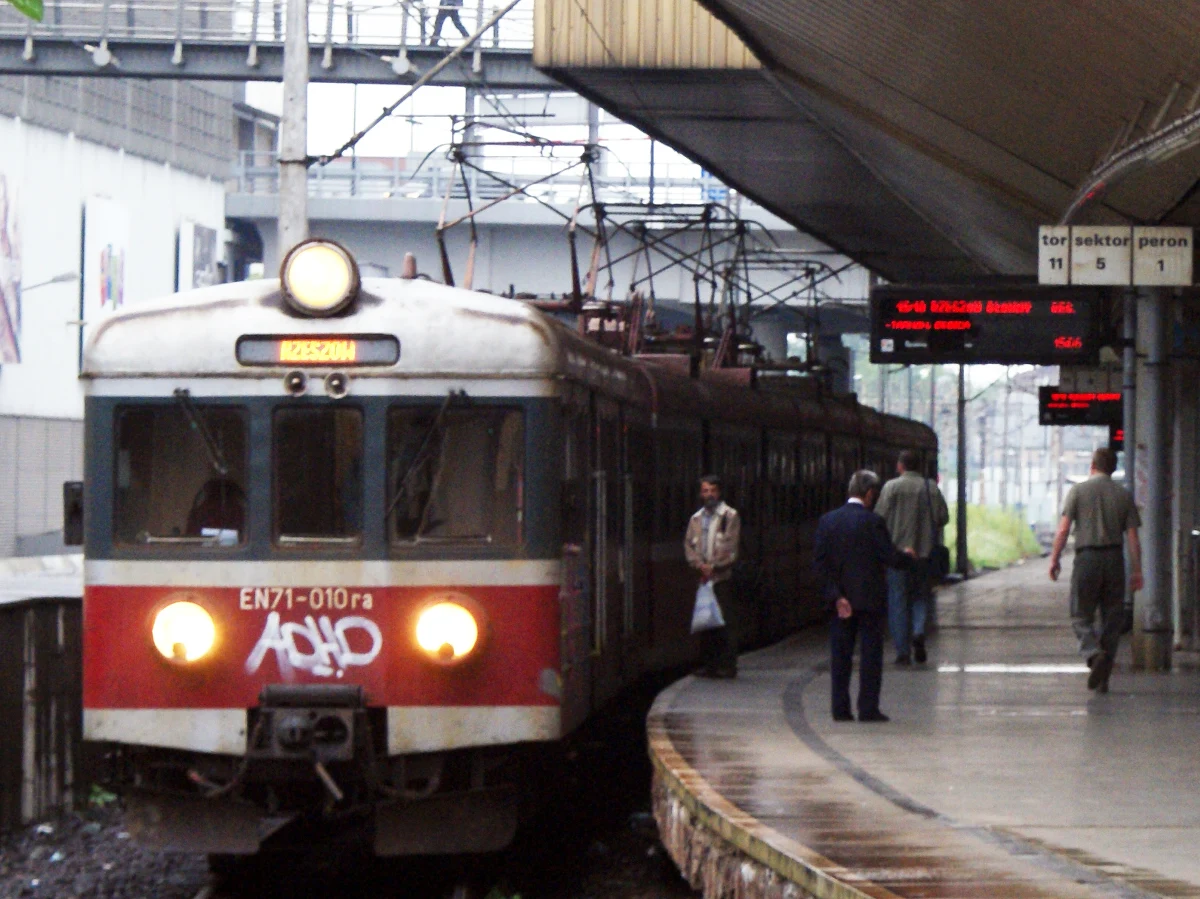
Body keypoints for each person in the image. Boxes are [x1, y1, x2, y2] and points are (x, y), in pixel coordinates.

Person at [813, 470, 914, 722]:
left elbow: (821, 565)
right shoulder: (873, 522)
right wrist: (907, 556)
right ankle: (868, 709)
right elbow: (889, 557)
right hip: (870, 601)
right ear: (869, 494)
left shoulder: (827, 521)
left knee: (840, 657)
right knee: (870, 657)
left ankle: (840, 708)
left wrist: (837, 596)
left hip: (841, 603)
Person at [1048, 447, 1142, 693]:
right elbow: (1133, 538)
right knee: (1112, 619)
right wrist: (1137, 570)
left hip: (1087, 558)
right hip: (1114, 559)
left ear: (1092, 465)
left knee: (1080, 614)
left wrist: (1055, 559)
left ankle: (1092, 654)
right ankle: (1103, 678)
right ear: (1112, 468)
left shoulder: (1078, 491)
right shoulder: (1123, 495)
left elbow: (1063, 529)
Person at [875, 450, 949, 665]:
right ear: (919, 467)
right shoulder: (930, 488)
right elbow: (943, 517)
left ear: (900, 466)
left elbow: (879, 518)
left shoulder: (891, 487)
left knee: (897, 601)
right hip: (923, 556)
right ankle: (917, 632)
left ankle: (902, 651)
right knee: (920, 598)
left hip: (897, 557)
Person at [684, 475, 741, 678]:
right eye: (705, 491)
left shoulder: (729, 516)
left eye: (713, 490)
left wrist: (714, 566)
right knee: (705, 622)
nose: (709, 495)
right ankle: (709, 665)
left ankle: (727, 665)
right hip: (703, 579)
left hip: (722, 578)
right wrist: (699, 565)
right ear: (701, 494)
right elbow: (690, 545)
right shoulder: (696, 519)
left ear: (719, 492)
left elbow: (730, 547)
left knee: (724, 622)